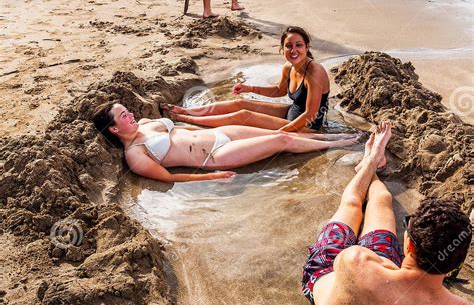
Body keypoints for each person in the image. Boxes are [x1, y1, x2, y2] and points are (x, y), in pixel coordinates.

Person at [302, 121, 473, 305]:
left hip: (331, 274)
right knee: (378, 202)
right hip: (385, 277)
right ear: (456, 262)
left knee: (356, 203)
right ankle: (373, 164)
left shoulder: (356, 260)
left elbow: (357, 264)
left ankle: (370, 162)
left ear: (408, 244)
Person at [91, 101, 358, 184]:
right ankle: (341, 143)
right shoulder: (135, 155)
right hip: (215, 155)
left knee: (287, 134)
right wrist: (213, 176)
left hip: (221, 134)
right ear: (114, 128)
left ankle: (330, 136)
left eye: (128, 111)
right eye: (124, 116)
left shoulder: (147, 123)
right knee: (281, 138)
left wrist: (195, 116)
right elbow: (169, 178)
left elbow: (184, 128)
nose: (132, 115)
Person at [163, 26, 331, 132]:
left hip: (307, 127)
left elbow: (311, 114)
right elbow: (279, 90)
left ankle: (185, 119)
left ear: (307, 47)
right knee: (240, 103)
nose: (293, 50)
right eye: (289, 46)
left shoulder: (315, 71)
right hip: (292, 112)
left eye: (298, 45)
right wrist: (249, 89)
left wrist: (282, 132)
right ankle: (186, 111)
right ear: (282, 49)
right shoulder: (288, 67)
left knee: (243, 116)